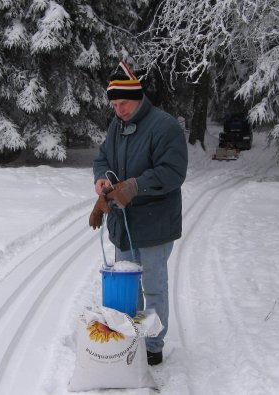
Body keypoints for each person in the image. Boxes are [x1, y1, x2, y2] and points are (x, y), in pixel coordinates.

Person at [89, 60, 188, 366]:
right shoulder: (117, 126)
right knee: (128, 287)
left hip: (155, 224)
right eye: (114, 104)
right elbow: (103, 156)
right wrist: (101, 178)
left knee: (154, 286)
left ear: (138, 97)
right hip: (124, 223)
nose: (118, 110)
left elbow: (173, 172)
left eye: (123, 103)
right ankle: (131, 339)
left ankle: (154, 345)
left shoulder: (164, 126)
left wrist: (134, 186)